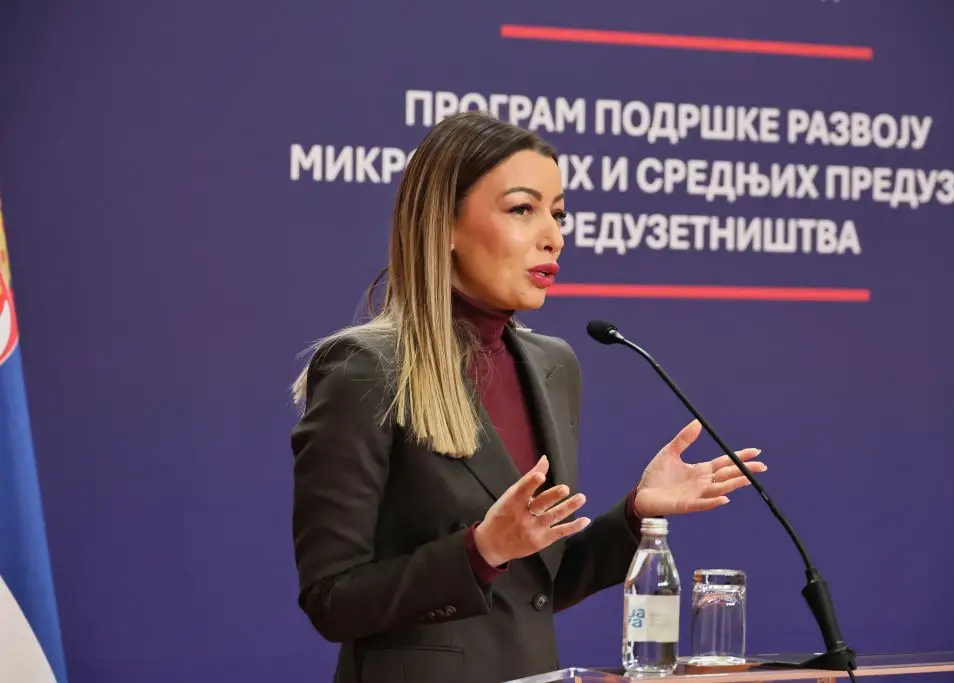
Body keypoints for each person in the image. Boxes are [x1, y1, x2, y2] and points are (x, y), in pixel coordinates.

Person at [289, 111, 767, 683]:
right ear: (443, 224)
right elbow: (332, 599)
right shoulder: (364, 368)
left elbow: (538, 588)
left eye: (558, 214)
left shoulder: (552, 365)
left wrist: (637, 515)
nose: (554, 236)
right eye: (522, 209)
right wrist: (479, 550)